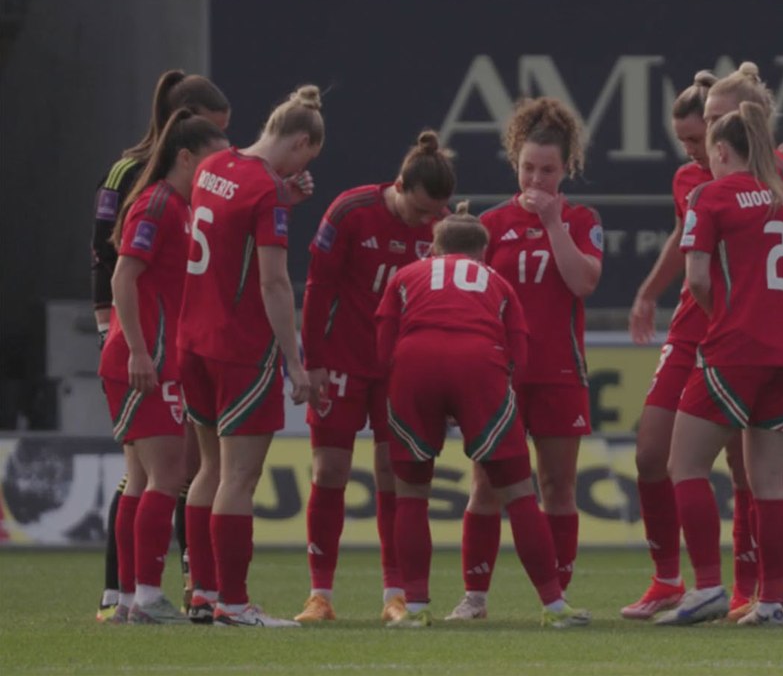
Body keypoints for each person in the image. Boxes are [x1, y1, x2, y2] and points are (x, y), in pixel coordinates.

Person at [375, 204, 591, 629]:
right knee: (519, 494)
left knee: (412, 496)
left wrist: (403, 385)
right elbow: (520, 349)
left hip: (414, 365)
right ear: (482, 252)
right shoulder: (497, 280)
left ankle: (415, 607)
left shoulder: (407, 275)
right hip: (480, 365)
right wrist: (495, 395)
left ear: (433, 249)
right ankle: (554, 605)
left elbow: (384, 337)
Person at [655, 102, 783, 627]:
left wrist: (725, 317)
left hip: (734, 349)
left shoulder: (710, 195)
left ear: (720, 151)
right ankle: (770, 601)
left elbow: (696, 277)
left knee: (685, 466)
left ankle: (705, 586)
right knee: (769, 481)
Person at [447, 97, 603, 620]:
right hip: (501, 375)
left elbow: (582, 282)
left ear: (567, 168)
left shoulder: (581, 218)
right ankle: (475, 597)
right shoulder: (490, 222)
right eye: (529, 168)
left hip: (560, 372)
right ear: (515, 161)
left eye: (549, 170)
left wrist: (554, 223)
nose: (538, 179)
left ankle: (557, 598)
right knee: (486, 483)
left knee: (559, 485)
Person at [294, 130, 454, 624]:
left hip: (397, 370)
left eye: (436, 213)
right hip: (340, 361)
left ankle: (396, 596)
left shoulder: (441, 226)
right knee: (329, 473)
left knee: (394, 475)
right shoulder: (349, 211)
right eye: (421, 211)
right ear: (400, 184)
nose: (429, 222)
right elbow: (318, 288)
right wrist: (313, 359)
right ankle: (320, 596)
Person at [178, 85, 324, 627]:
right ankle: (234, 605)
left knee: (209, 469)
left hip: (192, 341)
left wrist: (282, 197)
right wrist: (294, 359)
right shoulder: (265, 191)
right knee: (240, 477)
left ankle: (201, 590)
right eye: (310, 155)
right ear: (302, 143)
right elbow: (273, 283)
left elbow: (229, 228)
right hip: (240, 350)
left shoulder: (215, 165)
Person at [91, 70, 230, 622]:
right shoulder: (155, 203)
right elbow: (123, 275)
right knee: (167, 478)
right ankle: (146, 594)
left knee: (147, 479)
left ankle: (127, 597)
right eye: (215, 164)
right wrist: (142, 352)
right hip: (143, 361)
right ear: (189, 156)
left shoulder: (176, 205)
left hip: (151, 357)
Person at [699, 63, 783, 622]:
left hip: (764, 338)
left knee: (778, 470)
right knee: (753, 473)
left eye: (717, 117)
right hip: (775, 336)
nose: (708, 128)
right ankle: (753, 591)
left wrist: (757, 302)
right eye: (707, 118)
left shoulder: (777, 177)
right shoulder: (766, 181)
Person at [622, 70, 716, 619]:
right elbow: (686, 239)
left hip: (739, 336)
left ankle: (752, 588)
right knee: (650, 453)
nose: (689, 150)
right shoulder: (687, 180)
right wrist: (649, 291)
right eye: (683, 141)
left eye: (697, 139)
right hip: (688, 330)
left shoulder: (769, 175)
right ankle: (666, 580)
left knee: (751, 470)